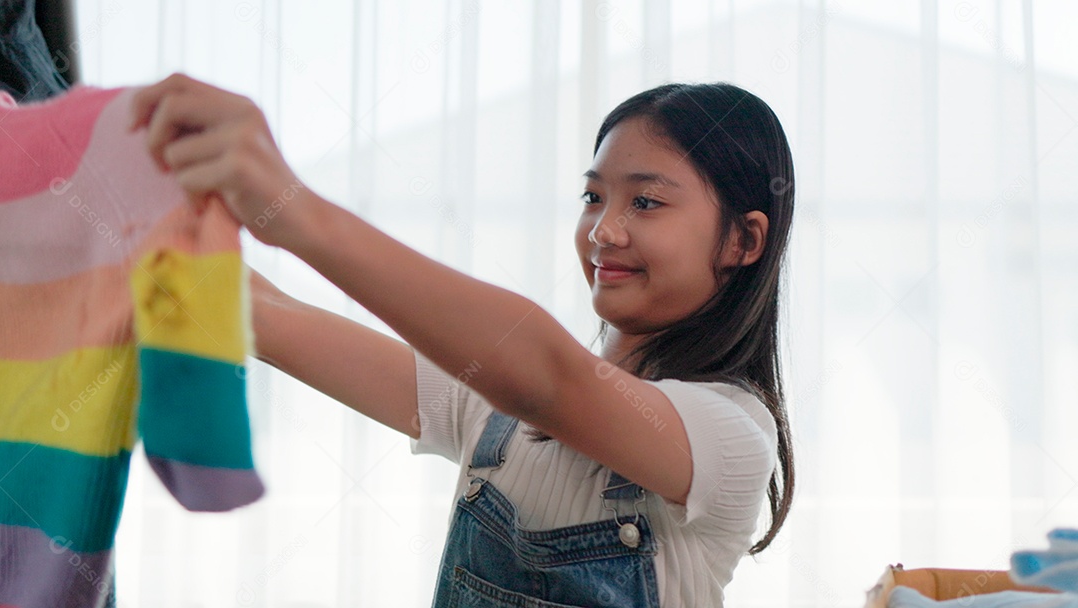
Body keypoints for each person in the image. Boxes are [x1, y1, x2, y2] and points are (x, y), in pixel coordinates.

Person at [129, 73, 796, 607]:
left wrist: (294, 209)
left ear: (743, 239)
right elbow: (262, 315)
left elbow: (547, 378)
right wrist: (128, 232)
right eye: (594, 198)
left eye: (644, 203)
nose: (603, 231)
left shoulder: (732, 433)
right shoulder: (494, 412)